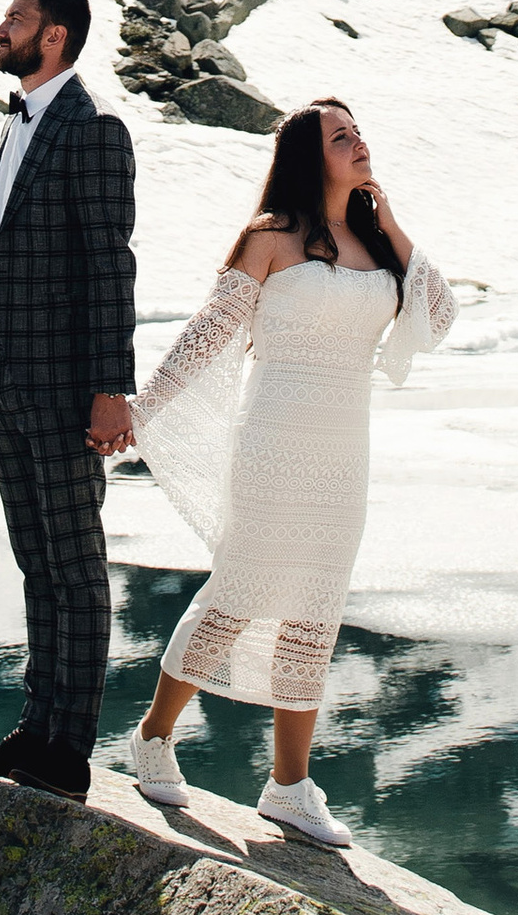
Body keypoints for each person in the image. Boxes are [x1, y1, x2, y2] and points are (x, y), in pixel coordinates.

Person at [121, 99, 454, 848]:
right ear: (310, 156)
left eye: (361, 131)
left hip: (343, 449)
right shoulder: (270, 238)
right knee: (241, 593)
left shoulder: (379, 244)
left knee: (314, 610)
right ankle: (153, 738)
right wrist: (145, 409)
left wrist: (389, 217)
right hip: (272, 437)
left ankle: (289, 787)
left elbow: (439, 311)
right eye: (343, 138)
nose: (360, 142)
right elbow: (209, 333)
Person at [0, 0, 138, 800]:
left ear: (54, 35)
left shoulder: (94, 129)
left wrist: (111, 388)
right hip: (6, 379)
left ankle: (69, 750)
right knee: (37, 564)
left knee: (76, 564)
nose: (1, 29)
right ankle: (35, 728)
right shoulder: (22, 120)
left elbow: (109, 267)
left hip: (65, 389)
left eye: (15, 19)